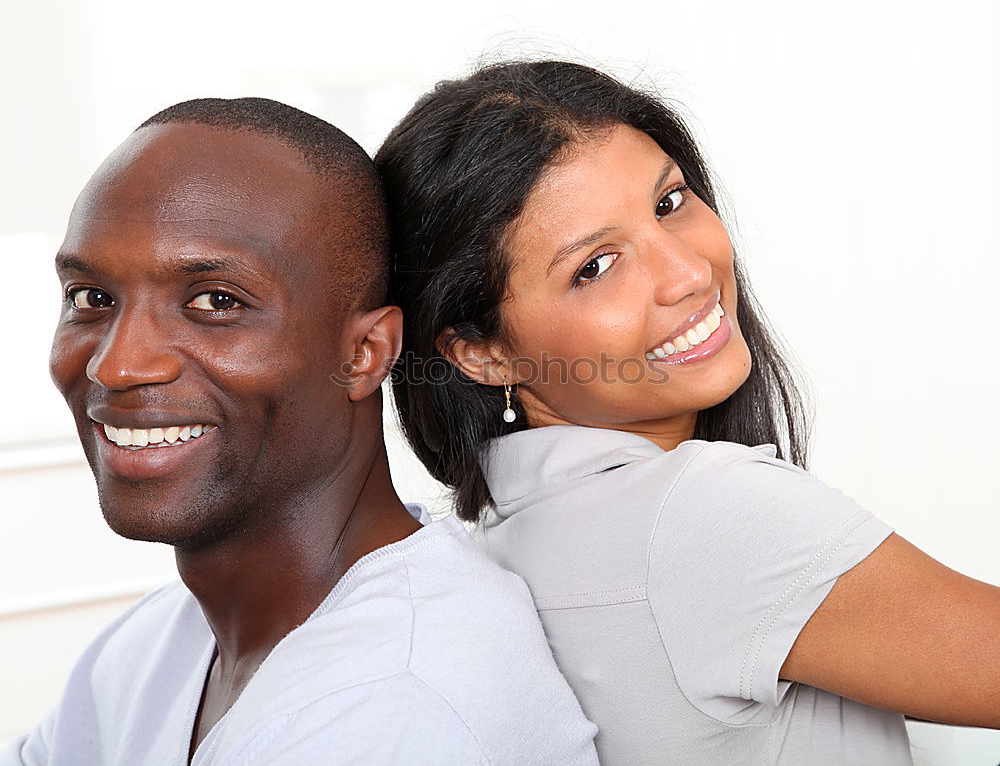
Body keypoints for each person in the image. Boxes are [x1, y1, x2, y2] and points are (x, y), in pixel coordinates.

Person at [375, 60, 1000, 766]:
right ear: (481, 353)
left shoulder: (507, 536)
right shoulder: (705, 514)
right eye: (596, 267)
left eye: (669, 202)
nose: (689, 273)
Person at [1, 98, 599, 766]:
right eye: (91, 297)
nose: (117, 364)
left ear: (365, 351)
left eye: (216, 302)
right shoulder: (154, 645)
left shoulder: (396, 700)